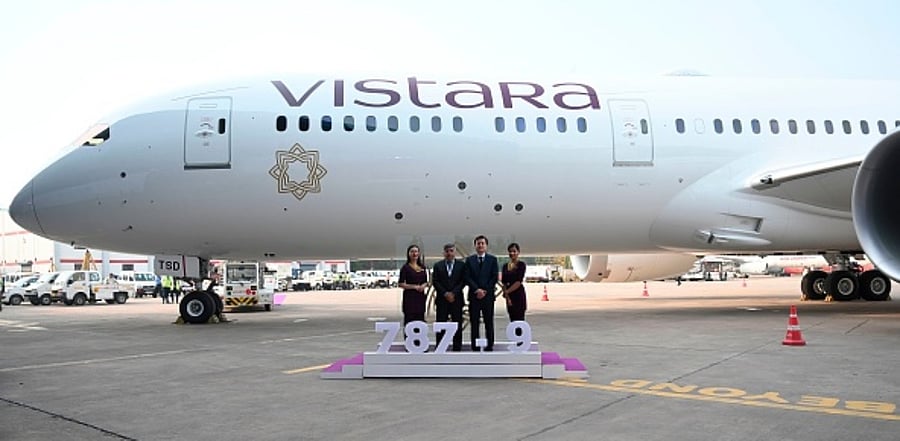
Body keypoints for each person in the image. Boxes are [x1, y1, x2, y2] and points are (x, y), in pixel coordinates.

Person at [465, 235, 499, 351]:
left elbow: (494, 277)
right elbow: (467, 277)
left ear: (486, 246)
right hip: (474, 296)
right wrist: (477, 290)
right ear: (475, 246)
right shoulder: (470, 260)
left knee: (488, 321)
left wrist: (484, 290)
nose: (480, 245)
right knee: (474, 322)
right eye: (478, 243)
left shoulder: (492, 260)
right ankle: (475, 345)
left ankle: (490, 344)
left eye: (482, 243)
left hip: (488, 296)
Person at [432, 243, 466, 351]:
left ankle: (457, 347)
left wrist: (453, 293)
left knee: (457, 324)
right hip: (442, 300)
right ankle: (440, 346)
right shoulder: (438, 266)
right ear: (444, 253)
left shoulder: (461, 265)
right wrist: (445, 293)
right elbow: (435, 282)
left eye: (451, 251)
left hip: (456, 300)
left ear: (455, 252)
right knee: (441, 324)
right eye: (447, 251)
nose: (449, 253)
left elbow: (463, 281)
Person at [397, 244, 428, 326]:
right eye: (412, 252)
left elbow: (426, 281)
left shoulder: (422, 267)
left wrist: (423, 286)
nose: (414, 254)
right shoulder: (405, 268)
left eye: (416, 252)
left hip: (420, 297)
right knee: (409, 320)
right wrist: (414, 287)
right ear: (408, 254)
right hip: (410, 298)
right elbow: (400, 283)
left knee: (420, 319)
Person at [502, 242, 527, 322]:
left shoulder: (521, 265)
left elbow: (518, 282)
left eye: (514, 251)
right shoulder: (505, 266)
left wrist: (507, 292)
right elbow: (504, 282)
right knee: (512, 320)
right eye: (510, 251)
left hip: (518, 295)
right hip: (509, 296)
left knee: (520, 320)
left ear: (518, 252)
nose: (512, 253)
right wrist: (507, 297)